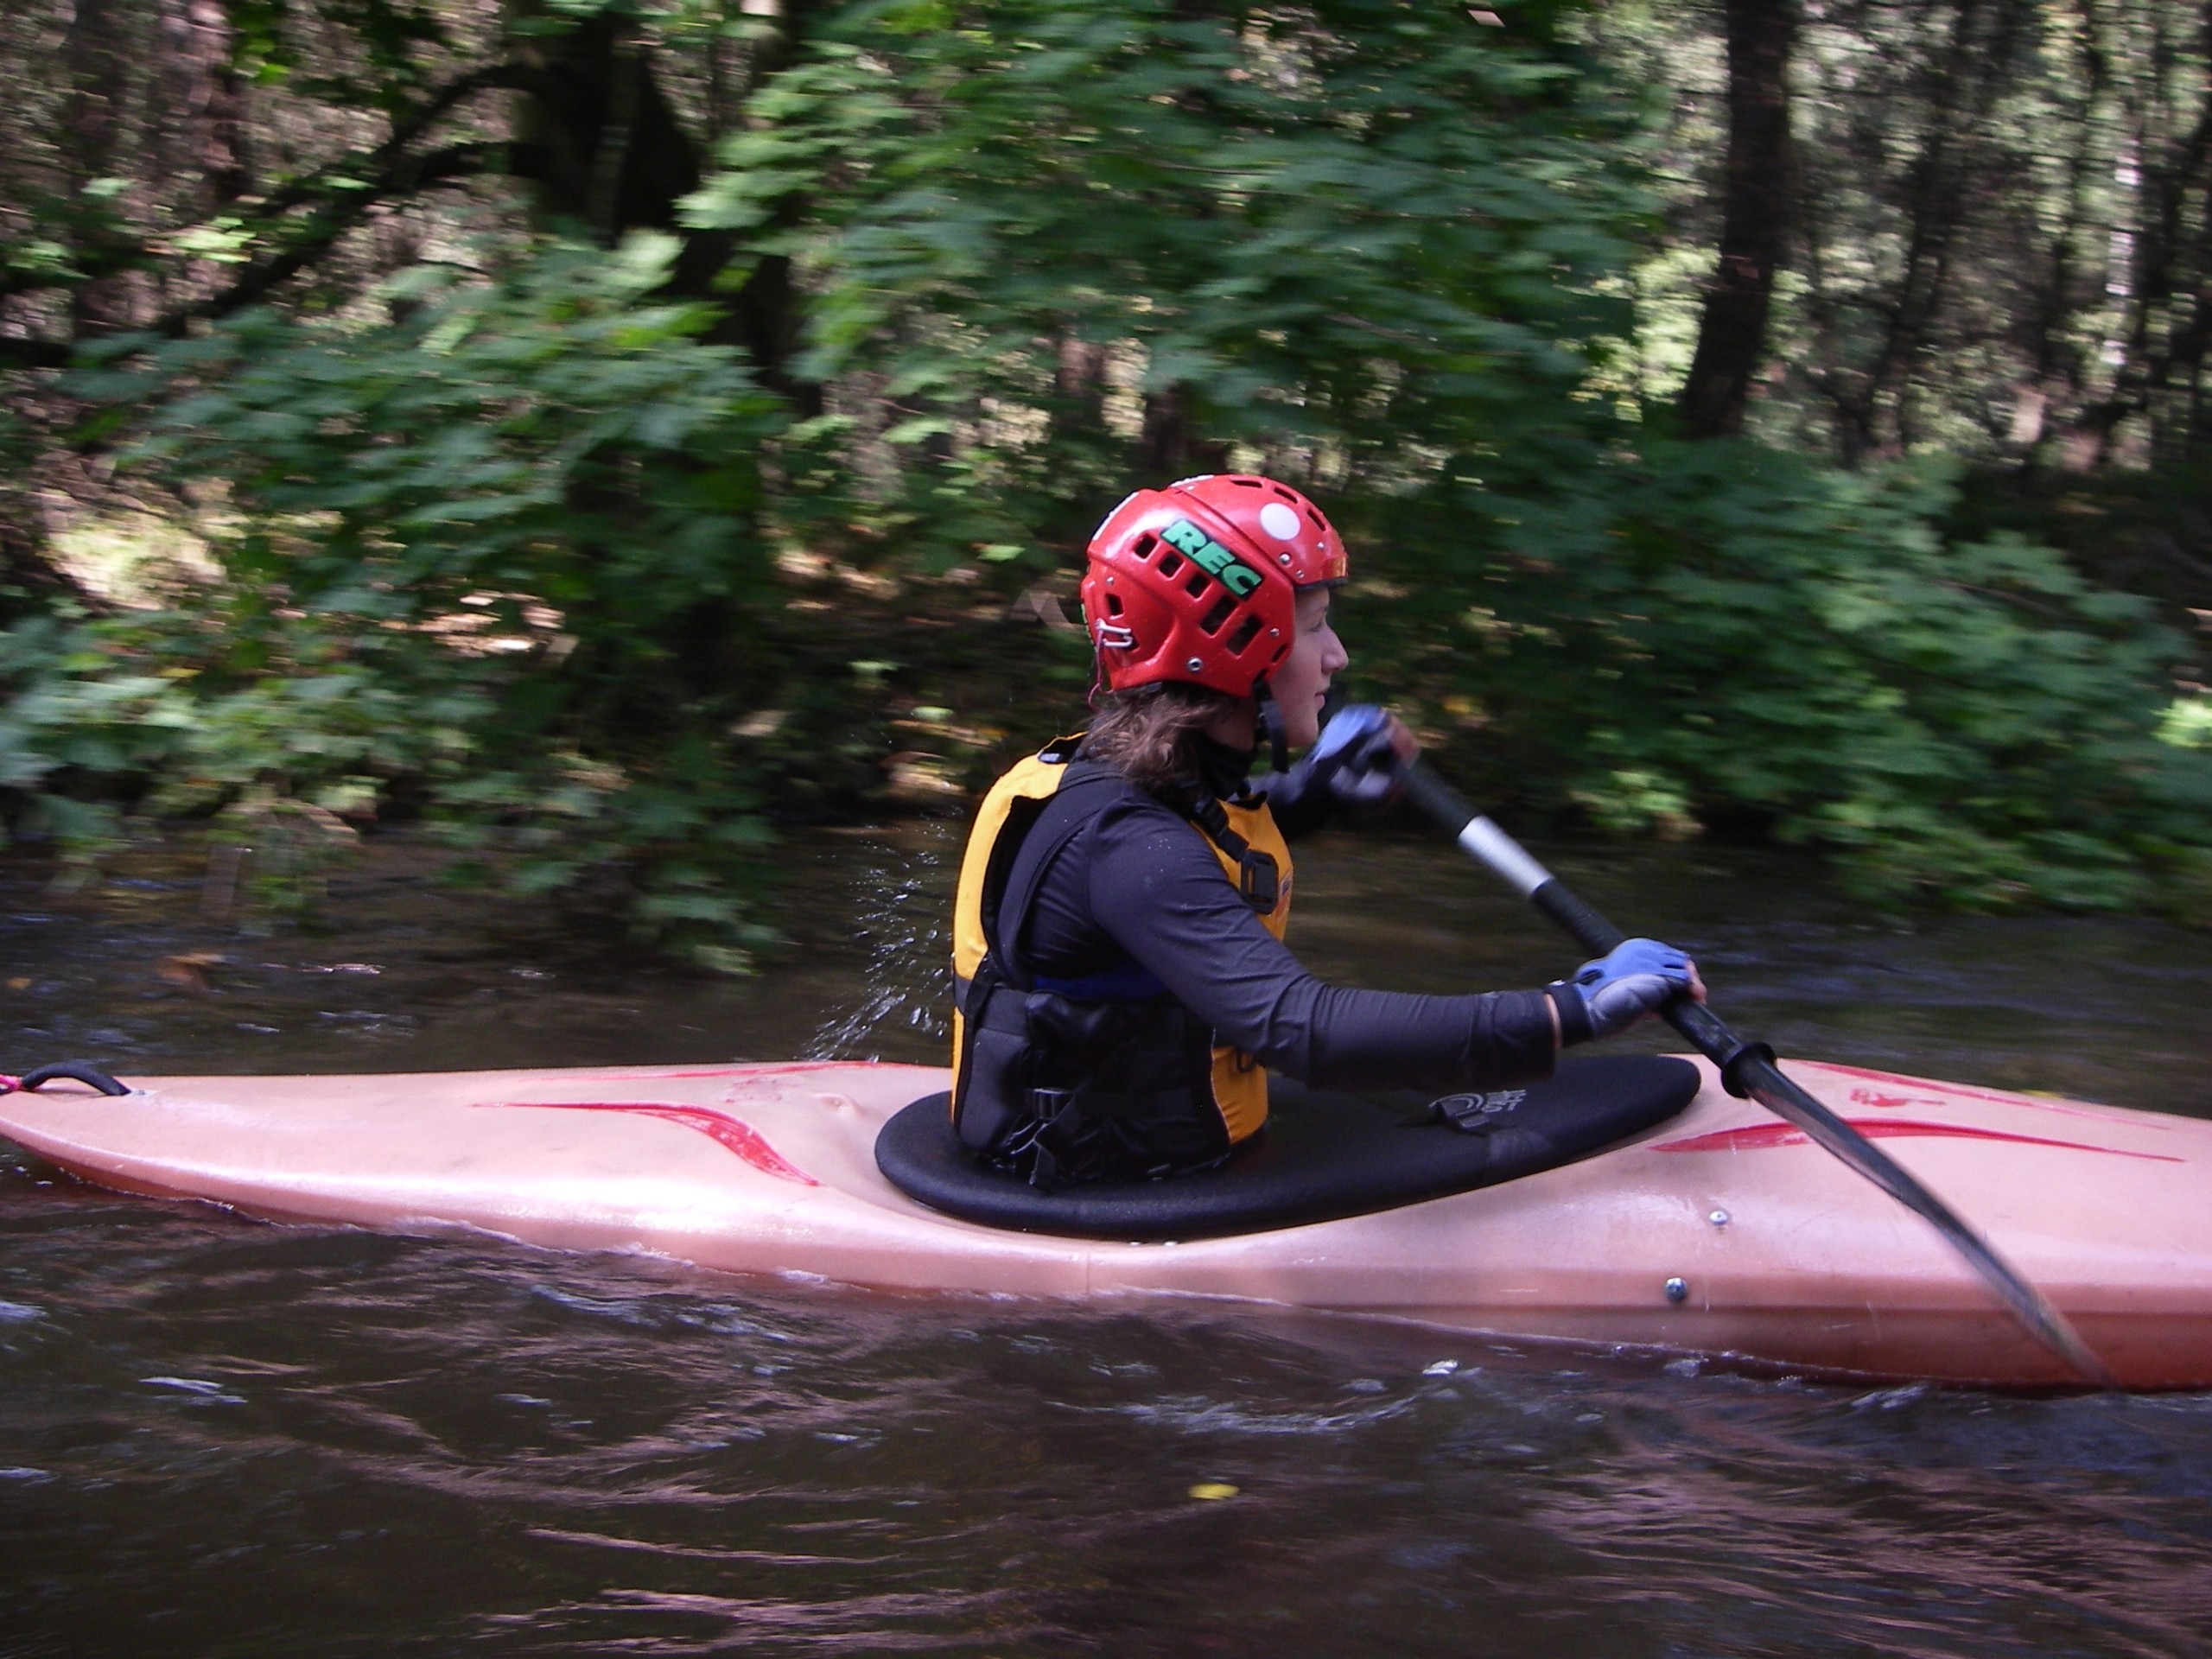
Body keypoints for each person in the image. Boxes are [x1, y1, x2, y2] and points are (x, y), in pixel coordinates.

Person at [949, 473, 1703, 1186]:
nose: (1337, 656)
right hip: (1111, 1180)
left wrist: (1315, 792)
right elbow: (1302, 1029)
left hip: (1150, 1142)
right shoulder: (1128, 842)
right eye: (1313, 627)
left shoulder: (1126, 778)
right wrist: (1568, 1011)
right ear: (1238, 650)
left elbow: (1205, 841)